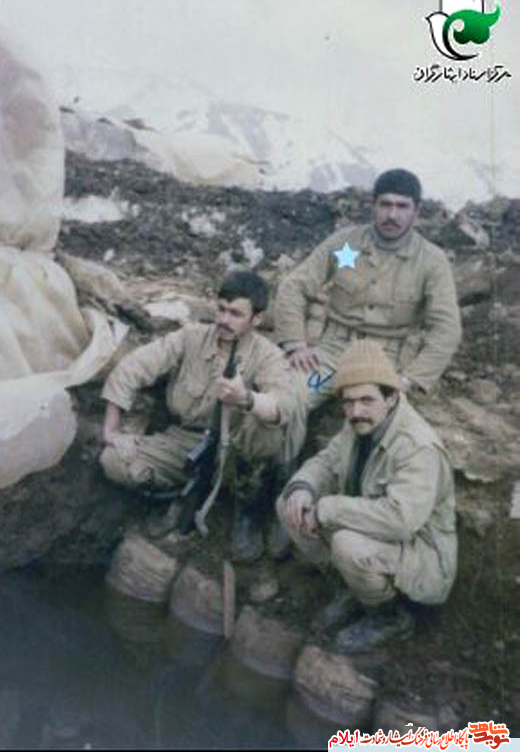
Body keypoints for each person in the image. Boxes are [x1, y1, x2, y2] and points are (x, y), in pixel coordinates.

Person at [100, 270, 305, 563]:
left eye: (236, 314)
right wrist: (111, 431)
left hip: (237, 452)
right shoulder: (191, 337)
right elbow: (132, 368)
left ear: (256, 319)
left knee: (265, 427)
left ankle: (247, 512)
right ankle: (178, 492)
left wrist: (246, 399)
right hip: (186, 442)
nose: (224, 320)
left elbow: (284, 405)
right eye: (221, 309)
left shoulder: (267, 355)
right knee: (113, 461)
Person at [276, 339, 457, 654]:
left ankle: (387, 616)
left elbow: (400, 521)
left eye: (366, 400)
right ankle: (351, 588)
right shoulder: (359, 423)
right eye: (348, 402)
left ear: (391, 397)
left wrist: (326, 509)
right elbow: (326, 461)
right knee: (288, 504)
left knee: (348, 545)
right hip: (375, 529)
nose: (356, 411)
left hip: (421, 553)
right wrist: (302, 487)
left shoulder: (417, 448)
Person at [274, 168, 462, 410]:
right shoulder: (345, 243)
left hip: (385, 365)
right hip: (330, 360)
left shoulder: (431, 261)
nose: (392, 215)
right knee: (293, 398)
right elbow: (294, 286)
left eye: (402, 206)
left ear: (416, 211)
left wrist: (411, 379)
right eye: (385, 204)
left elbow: (447, 328)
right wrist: (295, 344)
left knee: (376, 416)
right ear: (373, 206)